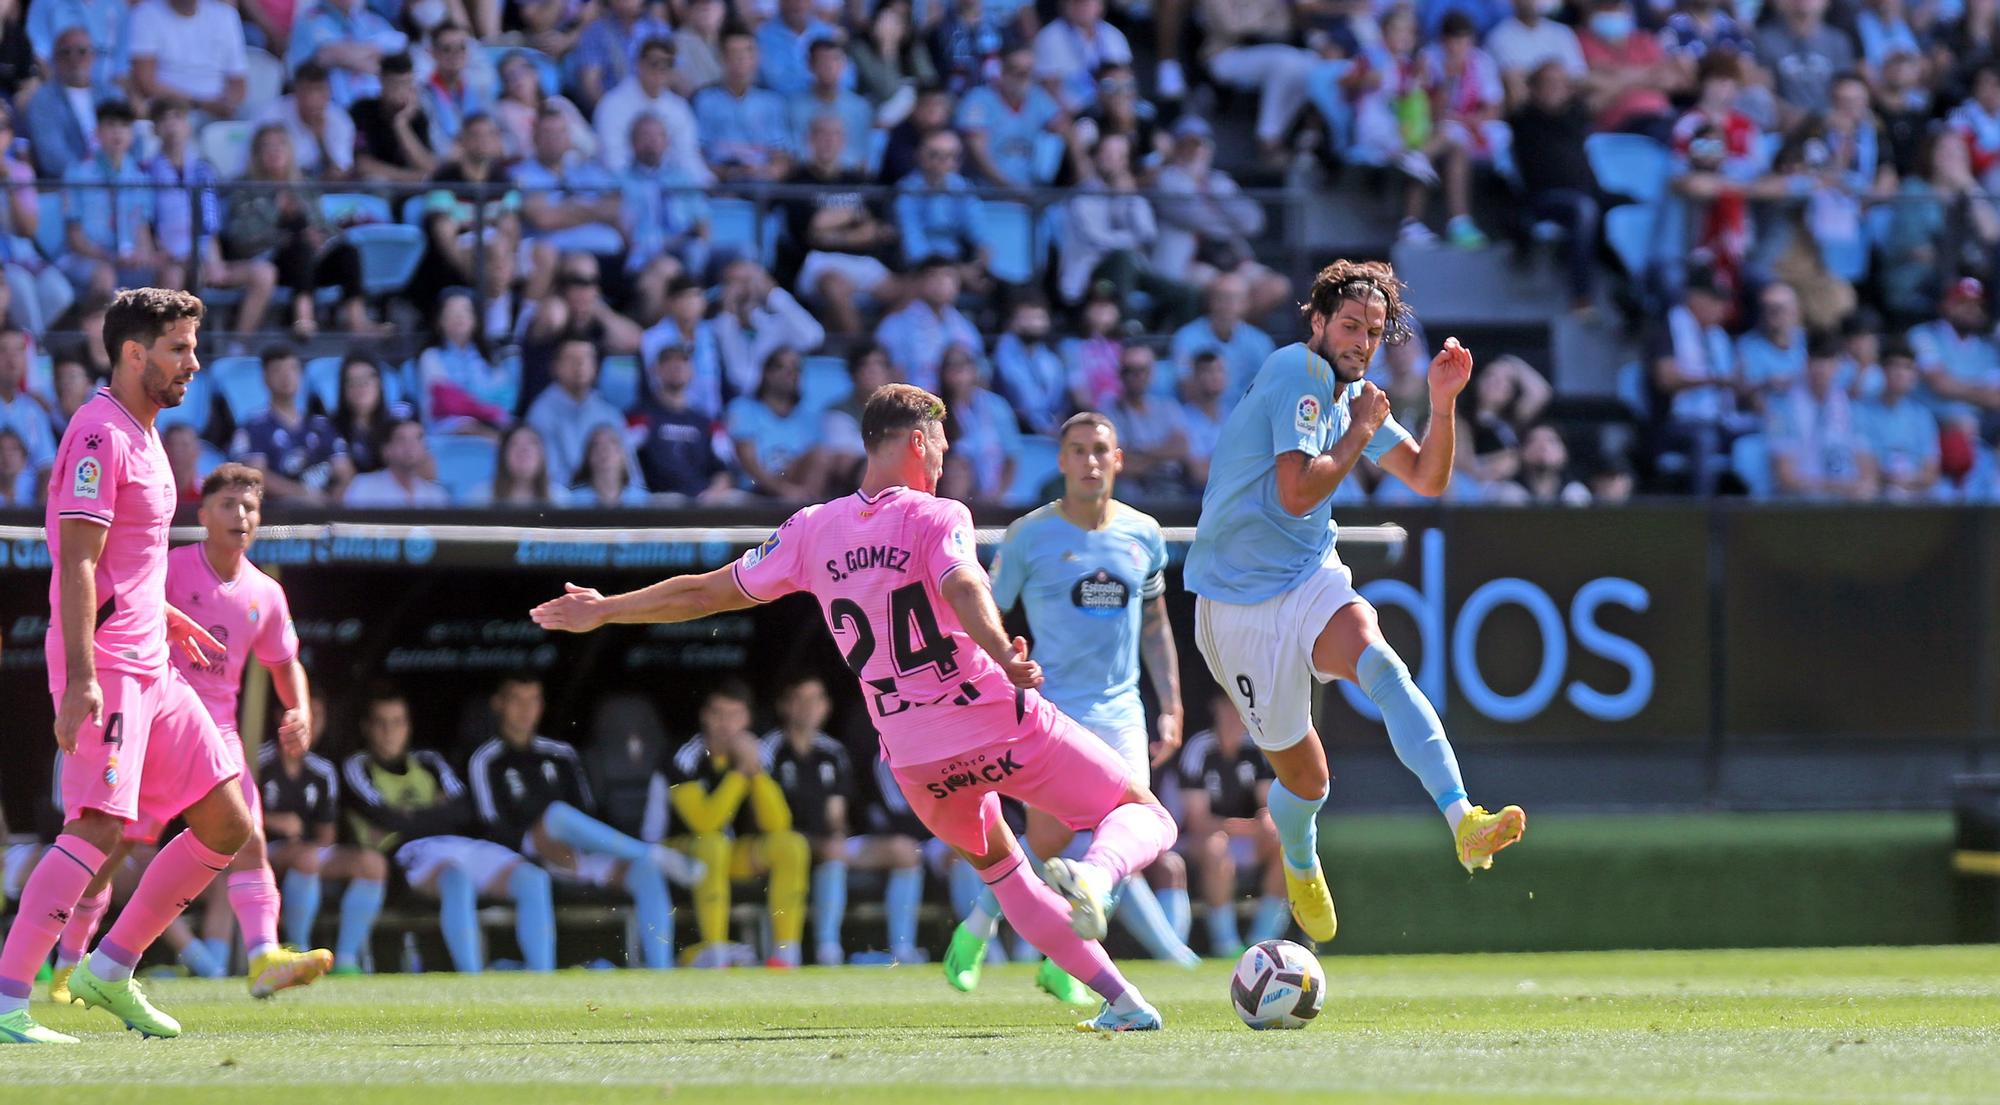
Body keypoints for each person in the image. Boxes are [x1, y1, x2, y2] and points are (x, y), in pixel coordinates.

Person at [532, 383, 1180, 1031]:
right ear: (919, 442)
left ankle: (1123, 1002)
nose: (945, 460)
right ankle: (1096, 880)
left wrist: (607, 608)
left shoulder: (811, 529)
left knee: (1009, 878)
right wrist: (1001, 652)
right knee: (1142, 814)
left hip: (917, 762)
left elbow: (706, 593)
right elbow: (963, 584)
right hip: (991, 716)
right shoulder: (938, 514)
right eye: (943, 446)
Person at [1184, 260, 1526, 947]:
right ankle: (1301, 854)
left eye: (1373, 331)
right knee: (1307, 780)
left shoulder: (1355, 394)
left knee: (1381, 662)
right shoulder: (1296, 375)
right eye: (1349, 324)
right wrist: (1364, 430)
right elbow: (1297, 491)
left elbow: (1428, 477)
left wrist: (1442, 400)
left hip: (1308, 573)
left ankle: (1464, 820)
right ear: (1317, 322)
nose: (1361, 339)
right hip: (1236, 605)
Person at [0, 288, 250, 1044]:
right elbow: (76, 562)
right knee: (97, 828)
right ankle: (8, 1002)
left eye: (193, 348)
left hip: (153, 663)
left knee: (226, 819)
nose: (193, 363)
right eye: (179, 349)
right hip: (106, 664)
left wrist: (159, 611)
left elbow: (122, 559)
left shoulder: (144, 433)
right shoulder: (100, 433)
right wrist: (81, 676)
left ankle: (110, 969)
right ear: (135, 353)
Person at [959, 411, 1197, 1000]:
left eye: (1100, 450)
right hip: (1053, 709)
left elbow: (1156, 626)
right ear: (1061, 461)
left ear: (1118, 460)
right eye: (1078, 450)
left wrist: (1169, 702)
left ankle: (1064, 954)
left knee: (1132, 829)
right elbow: (984, 615)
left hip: (1121, 710)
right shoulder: (1028, 535)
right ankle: (977, 928)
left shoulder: (1143, 533)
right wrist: (994, 686)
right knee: (1043, 842)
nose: (1090, 461)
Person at [144, 465, 331, 996]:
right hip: (159, 721)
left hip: (218, 732)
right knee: (112, 846)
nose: (240, 516)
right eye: (227, 505)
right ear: (202, 516)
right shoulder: (172, 568)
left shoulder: (266, 593)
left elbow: (284, 660)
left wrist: (300, 711)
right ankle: (65, 959)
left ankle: (262, 957)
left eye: (248, 507)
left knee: (250, 841)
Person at [467, 674, 700, 970]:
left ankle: (662, 972)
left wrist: (574, 852)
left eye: (533, 700)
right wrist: (539, 846)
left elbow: (588, 814)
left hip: (577, 853)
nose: (526, 710)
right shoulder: (486, 759)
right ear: (498, 704)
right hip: (525, 858)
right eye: (516, 700)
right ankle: (651, 850)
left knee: (646, 872)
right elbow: (491, 825)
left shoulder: (561, 753)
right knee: (556, 815)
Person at [342, 685, 555, 973]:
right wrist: (434, 812)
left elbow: (466, 809)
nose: (389, 731)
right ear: (366, 727)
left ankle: (542, 978)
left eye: (397, 722)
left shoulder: (429, 762)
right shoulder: (358, 766)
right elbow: (386, 819)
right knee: (456, 879)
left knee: (533, 878)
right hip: (408, 853)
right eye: (381, 723)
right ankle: (472, 980)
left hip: (459, 843)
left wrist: (410, 817)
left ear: (408, 726)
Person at [759, 676, 925, 966]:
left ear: (826, 707)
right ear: (785, 705)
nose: (809, 708)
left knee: (906, 851)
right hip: (785, 844)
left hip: (829, 845)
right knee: (825, 850)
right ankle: (828, 949)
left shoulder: (833, 752)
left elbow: (837, 815)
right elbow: (765, 818)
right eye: (801, 699)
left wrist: (836, 834)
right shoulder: (769, 749)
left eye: (816, 699)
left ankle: (903, 949)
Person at [661, 681, 809, 968]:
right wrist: (741, 774)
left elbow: (778, 823)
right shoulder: (685, 755)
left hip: (724, 856)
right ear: (704, 715)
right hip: (672, 852)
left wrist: (755, 772)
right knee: (713, 844)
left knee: (792, 845)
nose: (726, 724)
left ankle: (787, 956)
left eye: (735, 715)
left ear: (747, 719)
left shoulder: (757, 754)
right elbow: (704, 823)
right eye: (718, 714)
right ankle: (716, 954)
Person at [258, 704, 388, 971]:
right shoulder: (256, 759)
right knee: (306, 858)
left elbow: (326, 836)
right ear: (281, 718)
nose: (312, 724)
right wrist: (272, 820)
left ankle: (346, 962)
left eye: (319, 716)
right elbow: (236, 818)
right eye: (308, 716)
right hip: (260, 854)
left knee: (373, 864)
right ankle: (299, 955)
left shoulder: (323, 770)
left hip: (307, 856)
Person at [1177, 690, 1283, 957]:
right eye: (1229, 706)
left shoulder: (1255, 748)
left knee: (1285, 845)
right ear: (1216, 707)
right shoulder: (1198, 749)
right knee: (1215, 848)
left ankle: (1263, 943)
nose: (1236, 716)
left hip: (1247, 840)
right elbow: (1198, 821)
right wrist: (1248, 826)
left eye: (1241, 708)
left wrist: (1266, 822)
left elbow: (1268, 808)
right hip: (1204, 841)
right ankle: (1226, 945)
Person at [228, 345, 353, 502]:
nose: (286, 376)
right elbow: (256, 476)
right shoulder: (253, 427)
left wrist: (332, 501)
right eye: (278, 370)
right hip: (279, 517)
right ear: (265, 378)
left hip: (326, 513)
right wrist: (304, 495)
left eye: (292, 369)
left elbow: (345, 471)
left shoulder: (321, 425)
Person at [1767, 331, 1877, 500]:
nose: (1822, 369)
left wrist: (1860, 487)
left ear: (1839, 365)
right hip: (1800, 503)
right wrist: (1838, 487)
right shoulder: (1780, 410)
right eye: (1817, 361)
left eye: (1829, 361)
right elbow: (1786, 479)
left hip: (1846, 500)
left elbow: (1867, 471)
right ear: (1806, 362)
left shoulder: (1852, 407)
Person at [635, 344, 733, 502]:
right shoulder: (639, 417)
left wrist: (713, 494)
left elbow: (723, 469)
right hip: (658, 501)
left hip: (703, 499)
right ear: (655, 370)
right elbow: (627, 464)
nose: (677, 366)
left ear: (692, 371)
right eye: (668, 361)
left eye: (683, 361)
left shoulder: (706, 422)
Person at [526, 338, 627, 488]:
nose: (580, 365)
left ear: (596, 367)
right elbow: (550, 478)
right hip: (565, 504)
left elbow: (629, 472)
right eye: (572, 359)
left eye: (587, 358)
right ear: (555, 367)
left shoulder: (610, 413)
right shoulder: (540, 413)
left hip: (610, 502)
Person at [126, 0, 248, 120]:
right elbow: (146, 83)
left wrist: (229, 104)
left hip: (218, 113)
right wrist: (201, 104)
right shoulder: (145, 14)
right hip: (167, 110)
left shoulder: (226, 15)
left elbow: (238, 82)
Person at [1862, 341, 1940, 501]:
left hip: (1914, 491)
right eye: (1895, 366)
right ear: (1882, 370)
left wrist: (1907, 482)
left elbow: (1931, 473)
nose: (1901, 373)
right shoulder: (1862, 410)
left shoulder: (1922, 415)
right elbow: (1864, 465)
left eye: (1907, 367)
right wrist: (1891, 481)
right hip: (1877, 491)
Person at [341, 418, 449, 507]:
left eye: (418, 438)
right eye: (401, 439)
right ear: (386, 450)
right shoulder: (364, 487)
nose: (411, 446)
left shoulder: (436, 495)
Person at [471, 424, 563, 507]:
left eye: (532, 443)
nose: (524, 450)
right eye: (515, 444)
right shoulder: (481, 497)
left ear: (543, 454)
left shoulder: (560, 498)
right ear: (503, 455)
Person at [569, 423, 650, 507]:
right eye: (597, 444)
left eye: (612, 443)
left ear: (624, 455)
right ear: (588, 456)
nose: (604, 450)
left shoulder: (642, 500)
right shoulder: (572, 501)